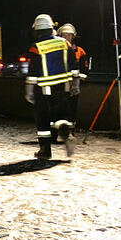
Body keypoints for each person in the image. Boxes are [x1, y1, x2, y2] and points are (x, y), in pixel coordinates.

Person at [24, 14, 78, 159]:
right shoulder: (65, 43)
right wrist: (75, 84)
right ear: (51, 28)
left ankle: (45, 150)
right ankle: (67, 135)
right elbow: (74, 66)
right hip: (63, 88)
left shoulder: (36, 48)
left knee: (43, 120)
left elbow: (33, 73)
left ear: (38, 31)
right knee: (59, 117)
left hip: (43, 90)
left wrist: (29, 91)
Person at [57, 24, 90, 135]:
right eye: (64, 35)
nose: (67, 37)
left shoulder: (80, 51)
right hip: (59, 85)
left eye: (69, 35)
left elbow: (84, 71)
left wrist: (76, 83)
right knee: (59, 109)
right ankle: (59, 130)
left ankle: (70, 131)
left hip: (73, 86)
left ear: (73, 36)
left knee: (71, 109)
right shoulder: (56, 49)